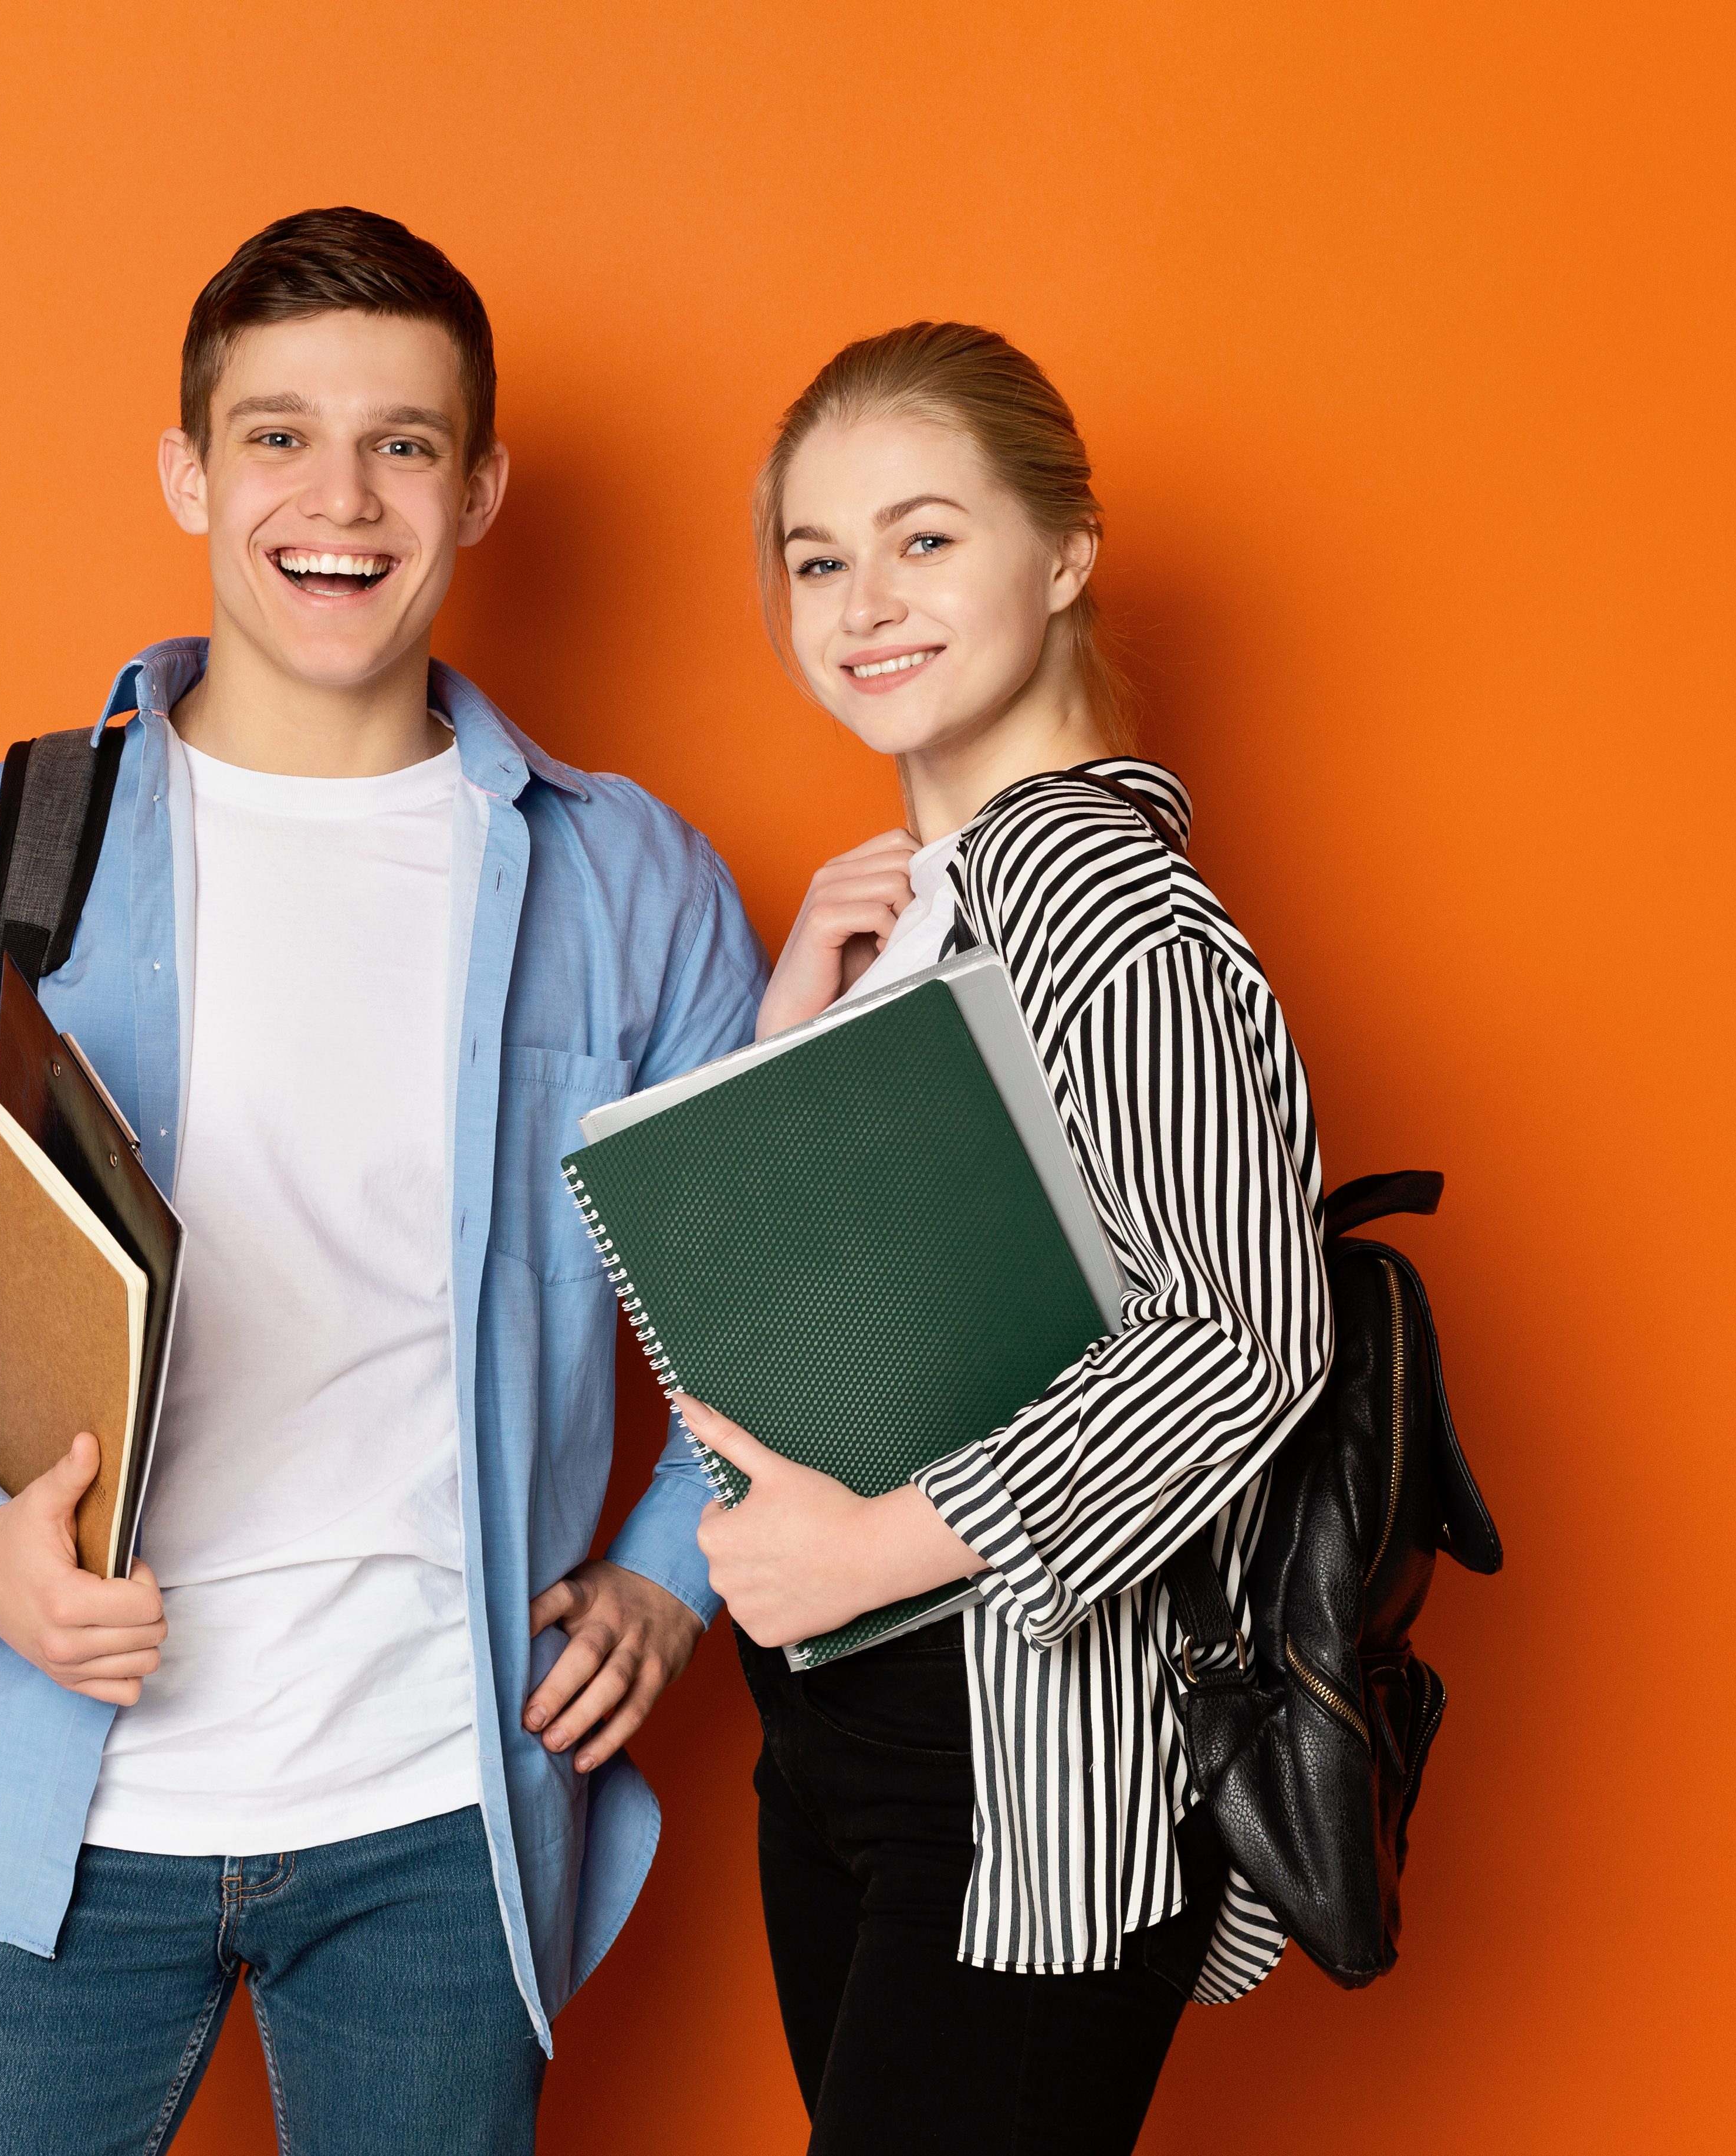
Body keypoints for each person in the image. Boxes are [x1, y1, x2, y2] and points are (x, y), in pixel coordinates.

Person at [0, 206, 766, 2156]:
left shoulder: (631, 882)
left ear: (477, 489)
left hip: (438, 1813)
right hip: (40, 1780)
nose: (339, 496)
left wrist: (664, 1572)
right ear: (188, 471)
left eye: (402, 442)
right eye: (278, 433)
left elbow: (770, 1304)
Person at [675, 322, 1333, 2154]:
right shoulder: (924, 916)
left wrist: (873, 1546)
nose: (861, 600)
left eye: (924, 537)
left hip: (1021, 1764)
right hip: (857, 1739)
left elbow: (1245, 1333)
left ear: (1065, 552)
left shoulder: (1096, 905)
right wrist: (775, 1066)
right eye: (816, 558)